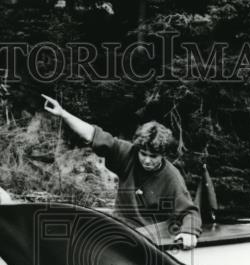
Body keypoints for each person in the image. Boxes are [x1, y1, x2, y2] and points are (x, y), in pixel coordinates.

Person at [41, 95, 201, 249]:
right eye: (143, 154)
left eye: (153, 156)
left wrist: (189, 231)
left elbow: (189, 212)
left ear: (163, 155)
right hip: (120, 228)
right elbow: (92, 134)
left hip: (149, 238)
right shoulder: (128, 154)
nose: (146, 160)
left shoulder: (171, 177)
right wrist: (63, 113)